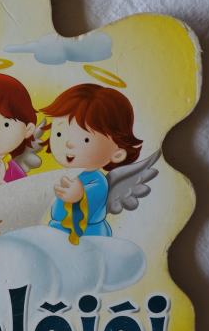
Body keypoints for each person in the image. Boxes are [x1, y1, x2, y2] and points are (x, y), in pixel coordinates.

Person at [42, 83, 142, 244]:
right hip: (58, 232)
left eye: (85, 139)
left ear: (117, 154)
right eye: (59, 133)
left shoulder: (98, 181)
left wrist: (79, 196)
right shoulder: (63, 175)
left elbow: (86, 208)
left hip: (88, 237)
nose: (68, 143)